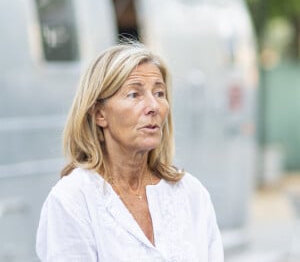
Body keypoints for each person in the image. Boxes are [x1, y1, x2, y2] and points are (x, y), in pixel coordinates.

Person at [36, 42, 224, 261]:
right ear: (99, 114)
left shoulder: (191, 194)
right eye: (134, 94)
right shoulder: (72, 200)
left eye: (159, 92)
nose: (154, 106)